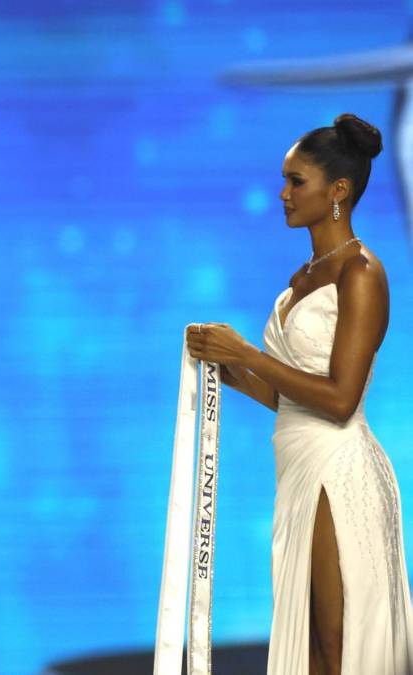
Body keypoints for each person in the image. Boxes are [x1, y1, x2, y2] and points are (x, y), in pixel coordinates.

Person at [185, 113, 413, 674]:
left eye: (296, 182)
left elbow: (339, 399)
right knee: (311, 641)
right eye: (284, 180)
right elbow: (285, 396)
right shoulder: (303, 277)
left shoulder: (362, 273)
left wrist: (247, 354)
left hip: (339, 470)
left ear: (338, 191)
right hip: (296, 472)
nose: (283, 194)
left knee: (337, 642)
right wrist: (221, 367)